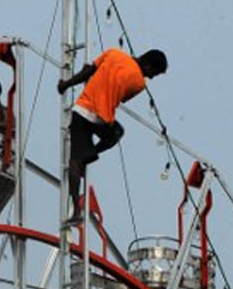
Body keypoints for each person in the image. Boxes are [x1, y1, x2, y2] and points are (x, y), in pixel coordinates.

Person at [57, 48, 168, 223]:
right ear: (147, 65)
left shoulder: (114, 53)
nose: (151, 78)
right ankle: (89, 155)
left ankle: (76, 209)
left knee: (75, 161)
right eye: (153, 73)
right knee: (116, 134)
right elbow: (120, 95)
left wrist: (65, 85)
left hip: (81, 111)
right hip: (102, 120)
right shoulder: (139, 84)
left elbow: (88, 72)